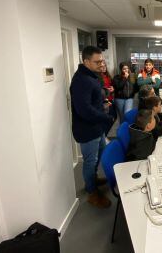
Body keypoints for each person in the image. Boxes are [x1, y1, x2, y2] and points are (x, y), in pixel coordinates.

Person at [70, 46, 114, 208]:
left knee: (100, 154)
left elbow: (93, 99)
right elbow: (84, 110)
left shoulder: (91, 76)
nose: (101, 64)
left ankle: (94, 179)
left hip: (97, 127)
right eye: (97, 61)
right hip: (87, 129)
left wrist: (102, 101)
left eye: (101, 60)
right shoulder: (81, 80)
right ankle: (91, 193)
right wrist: (105, 116)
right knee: (90, 161)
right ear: (86, 61)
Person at [98, 60, 117, 135]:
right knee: (106, 119)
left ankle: (105, 134)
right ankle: (104, 135)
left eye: (105, 66)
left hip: (111, 99)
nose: (104, 68)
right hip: (105, 101)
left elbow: (111, 86)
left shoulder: (108, 76)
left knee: (113, 117)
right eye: (102, 66)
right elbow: (100, 89)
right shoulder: (98, 77)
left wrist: (113, 89)